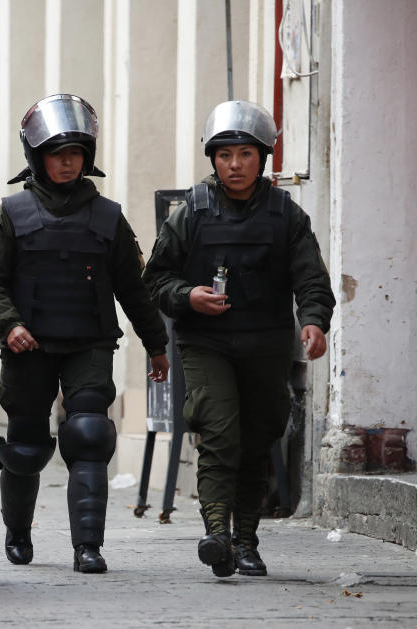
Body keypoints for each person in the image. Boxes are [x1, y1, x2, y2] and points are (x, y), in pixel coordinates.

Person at [0, 94, 169, 574]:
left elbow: (133, 288)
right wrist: (10, 323)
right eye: (57, 153)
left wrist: (156, 345)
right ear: (36, 157)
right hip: (28, 345)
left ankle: (88, 546)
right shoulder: (9, 214)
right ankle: (17, 530)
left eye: (76, 153)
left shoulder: (108, 217)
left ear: (88, 158)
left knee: (87, 433)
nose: (67, 162)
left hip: (89, 342)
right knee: (25, 445)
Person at [142, 100, 335, 577]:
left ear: (263, 157)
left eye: (245, 154)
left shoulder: (286, 215)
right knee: (219, 432)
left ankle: (247, 541)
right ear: (212, 158)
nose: (234, 164)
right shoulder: (191, 211)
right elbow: (155, 279)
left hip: (267, 344)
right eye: (225, 155)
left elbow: (312, 278)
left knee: (257, 438)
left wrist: (314, 321)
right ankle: (216, 534)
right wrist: (189, 297)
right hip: (207, 344)